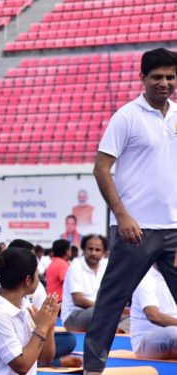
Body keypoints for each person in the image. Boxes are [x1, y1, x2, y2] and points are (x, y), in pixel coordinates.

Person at [84, 47, 177, 375]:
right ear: (142, 79)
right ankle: (93, 370)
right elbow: (101, 168)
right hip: (135, 230)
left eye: (170, 77)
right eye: (157, 77)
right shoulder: (126, 116)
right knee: (110, 304)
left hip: (174, 231)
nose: (164, 83)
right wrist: (122, 215)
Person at [0, 247, 59, 375]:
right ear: (28, 280)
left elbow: (45, 359)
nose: (39, 279)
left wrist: (49, 326)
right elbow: (22, 366)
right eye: (37, 273)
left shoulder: (25, 306)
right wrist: (41, 328)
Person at [61, 234, 107, 332]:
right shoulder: (76, 267)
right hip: (74, 316)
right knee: (101, 313)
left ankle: (115, 328)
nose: (93, 253)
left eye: (97, 250)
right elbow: (78, 300)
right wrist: (104, 307)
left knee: (131, 317)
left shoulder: (104, 267)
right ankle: (113, 327)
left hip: (99, 312)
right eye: (90, 249)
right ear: (84, 250)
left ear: (103, 252)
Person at [130, 265, 177, 359]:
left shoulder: (172, 275)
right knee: (174, 334)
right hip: (145, 342)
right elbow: (154, 316)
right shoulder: (145, 277)